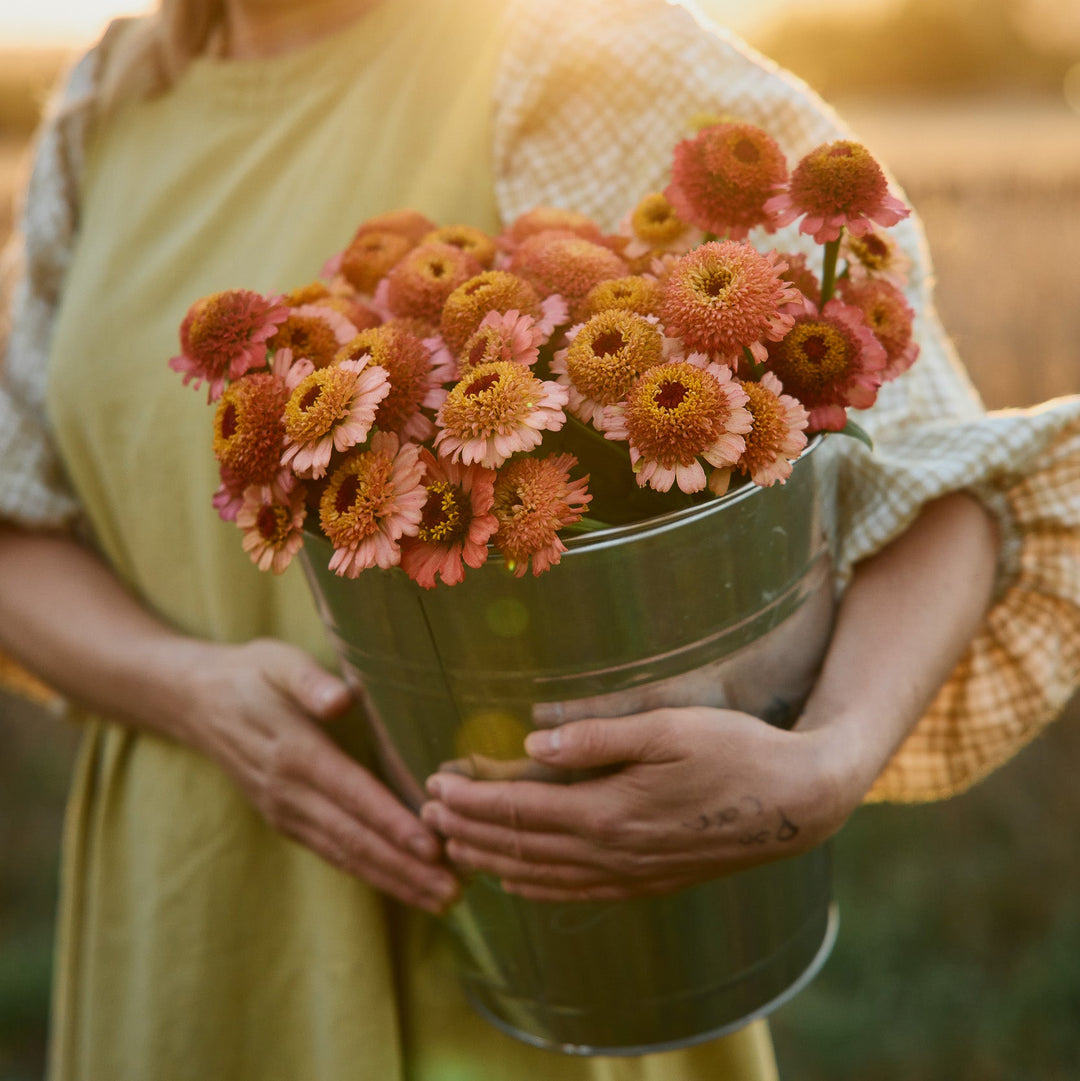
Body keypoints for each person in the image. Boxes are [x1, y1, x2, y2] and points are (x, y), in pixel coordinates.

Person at [0, 0, 1077, 1077]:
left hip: (563, 934)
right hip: (188, 899)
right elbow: (15, 517)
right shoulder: (110, 103)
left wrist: (823, 766)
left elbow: (941, 477)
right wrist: (188, 688)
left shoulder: (565, 53)